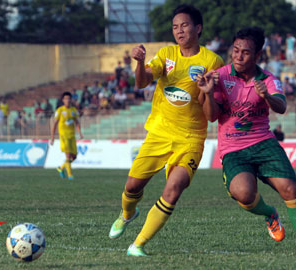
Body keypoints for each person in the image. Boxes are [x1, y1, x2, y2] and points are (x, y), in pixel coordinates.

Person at [108, 4, 224, 257]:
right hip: (159, 133)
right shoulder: (167, 54)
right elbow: (141, 83)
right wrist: (139, 62)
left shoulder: (212, 61)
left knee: (174, 188)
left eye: (184, 25)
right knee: (132, 187)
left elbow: (211, 115)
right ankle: (128, 214)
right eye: (175, 27)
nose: (179, 31)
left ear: (198, 28)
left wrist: (207, 93)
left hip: (191, 138)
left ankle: (137, 245)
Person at [197, 27, 296, 256]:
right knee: (243, 193)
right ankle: (270, 214)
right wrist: (209, 93)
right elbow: (211, 116)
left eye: (246, 52)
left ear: (257, 56)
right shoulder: (220, 76)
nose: (239, 56)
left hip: (263, 143)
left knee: (290, 189)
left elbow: (281, 107)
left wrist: (267, 96)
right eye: (236, 50)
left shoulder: (268, 79)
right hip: (233, 148)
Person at [50, 92, 83, 180]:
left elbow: (76, 122)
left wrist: (80, 133)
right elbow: (54, 124)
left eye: (69, 98)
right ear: (63, 100)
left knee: (74, 157)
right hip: (64, 136)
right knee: (68, 156)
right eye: (66, 99)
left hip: (72, 136)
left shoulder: (73, 110)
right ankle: (70, 175)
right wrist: (52, 137)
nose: (67, 100)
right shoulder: (60, 110)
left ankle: (61, 168)